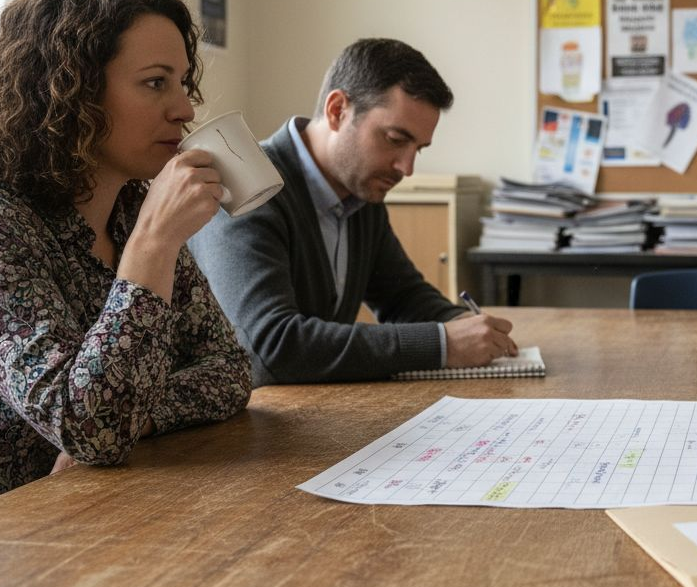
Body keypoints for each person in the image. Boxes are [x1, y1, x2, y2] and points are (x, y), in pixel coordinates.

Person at [0, 0, 252, 506]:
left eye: (182, 82)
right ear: (69, 89)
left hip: (102, 509)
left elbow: (230, 372)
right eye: (155, 82)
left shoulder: (129, 211)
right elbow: (92, 429)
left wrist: (127, 419)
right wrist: (153, 245)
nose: (186, 109)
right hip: (0, 541)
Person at [188, 39, 516, 385]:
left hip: (318, 417)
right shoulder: (250, 185)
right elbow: (270, 348)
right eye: (394, 139)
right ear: (337, 110)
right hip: (242, 428)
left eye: (418, 149)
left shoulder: (360, 191)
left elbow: (403, 298)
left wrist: (470, 328)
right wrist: (443, 344)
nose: (407, 167)